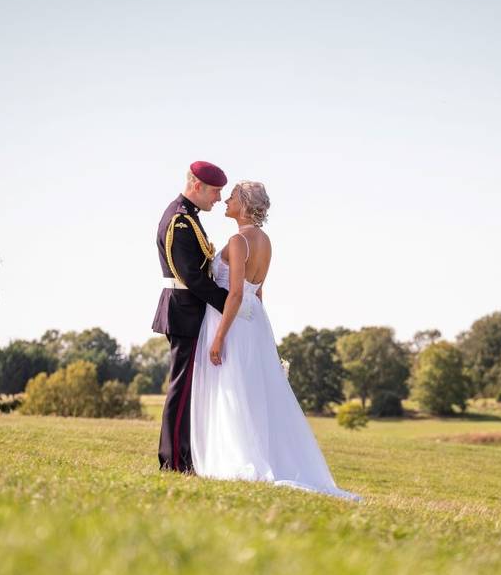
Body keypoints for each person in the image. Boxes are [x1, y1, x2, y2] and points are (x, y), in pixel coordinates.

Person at [190, 181, 359, 501]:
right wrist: (261, 335)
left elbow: (236, 292)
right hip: (255, 322)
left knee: (233, 389)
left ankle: (238, 454)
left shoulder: (239, 240)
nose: (226, 200)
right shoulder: (265, 241)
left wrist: (219, 336)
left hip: (234, 320)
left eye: (233, 197)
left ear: (244, 204)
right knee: (251, 391)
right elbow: (259, 292)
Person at [152, 161, 229, 473]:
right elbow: (193, 279)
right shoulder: (180, 221)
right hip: (184, 310)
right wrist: (232, 304)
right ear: (197, 186)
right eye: (215, 191)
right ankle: (173, 461)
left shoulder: (188, 216)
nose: (219, 199)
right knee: (182, 390)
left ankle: (182, 457)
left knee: (187, 388)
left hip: (187, 309)